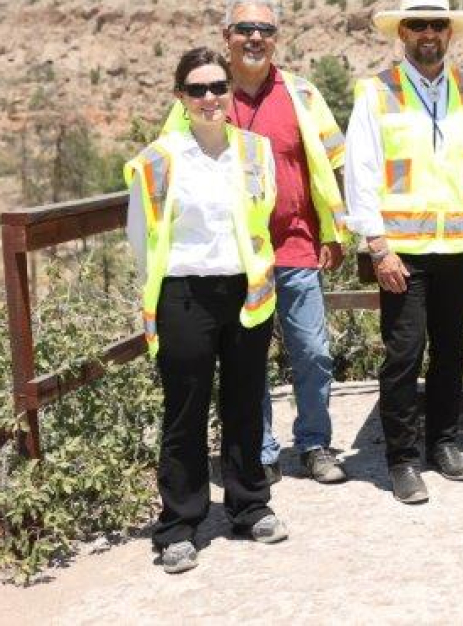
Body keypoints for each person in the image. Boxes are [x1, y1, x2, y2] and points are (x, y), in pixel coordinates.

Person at [126, 47, 288, 575]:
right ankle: (178, 525)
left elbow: (263, 220)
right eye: (197, 89)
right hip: (184, 295)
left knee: (245, 402)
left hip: (245, 293)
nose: (210, 97)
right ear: (181, 97)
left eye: (218, 86)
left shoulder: (255, 151)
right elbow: (139, 238)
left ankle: (250, 506)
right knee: (185, 411)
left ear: (229, 92)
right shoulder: (159, 159)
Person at [345, 0, 463, 504]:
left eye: (438, 25)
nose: (429, 34)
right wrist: (378, 246)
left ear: (449, 33)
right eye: (419, 25)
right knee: (404, 355)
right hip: (404, 254)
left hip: (458, 246)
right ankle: (402, 459)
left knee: (452, 352)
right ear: (402, 33)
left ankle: (444, 443)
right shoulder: (376, 92)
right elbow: (361, 174)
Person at [216, 0, 350, 486]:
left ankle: (315, 443)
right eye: (245, 29)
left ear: (277, 39)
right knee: (247, 358)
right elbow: (170, 162)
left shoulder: (301, 93)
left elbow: (334, 163)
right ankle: (262, 449)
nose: (255, 38)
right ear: (226, 36)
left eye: (265, 30)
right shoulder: (209, 94)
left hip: (297, 244)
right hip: (234, 254)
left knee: (312, 350)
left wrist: (334, 230)